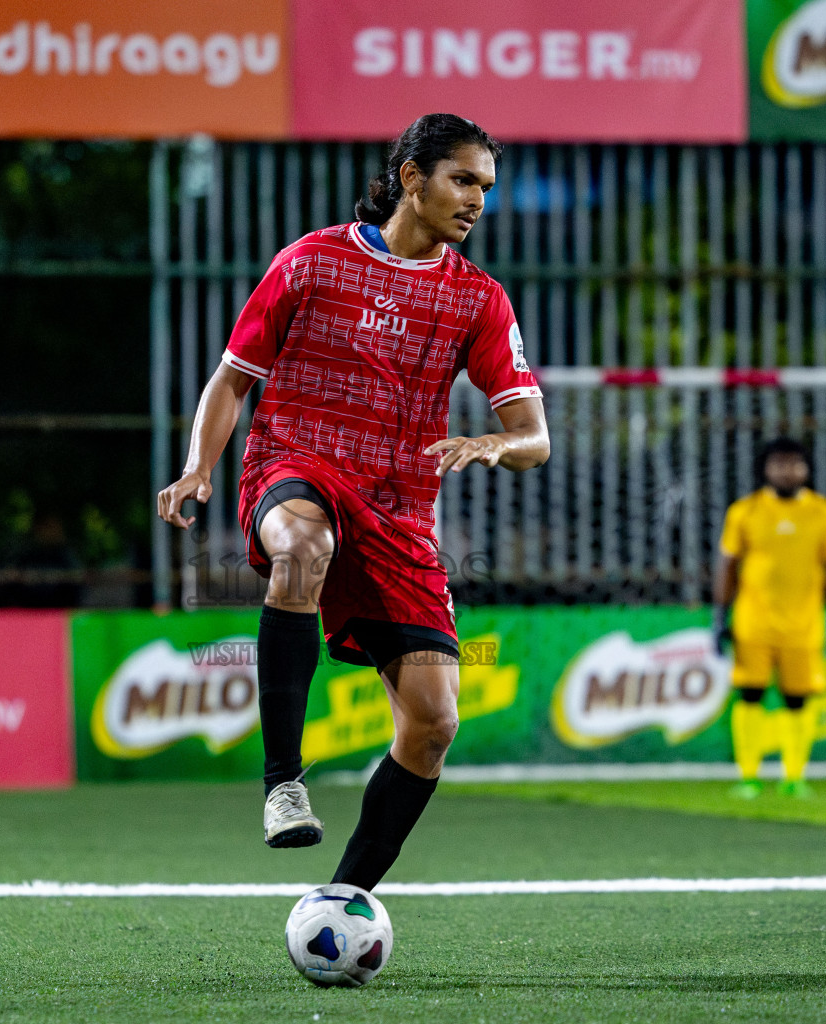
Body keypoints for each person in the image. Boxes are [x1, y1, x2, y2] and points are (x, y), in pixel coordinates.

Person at [157, 113, 548, 892]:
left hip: (400, 511)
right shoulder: (312, 262)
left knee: (434, 726)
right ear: (412, 177)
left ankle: (344, 898)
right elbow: (234, 376)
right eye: (462, 180)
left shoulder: (478, 300)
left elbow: (534, 435)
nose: (477, 201)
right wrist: (201, 465)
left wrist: (497, 444)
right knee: (303, 549)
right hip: (295, 465)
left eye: (486, 188)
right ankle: (283, 784)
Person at [713, 437, 826, 799]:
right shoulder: (744, 512)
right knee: (750, 694)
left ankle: (794, 777)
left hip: (804, 625)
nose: (786, 471)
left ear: (806, 469)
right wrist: (719, 618)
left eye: (794, 464)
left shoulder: (825, 513)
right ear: (765, 468)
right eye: (778, 464)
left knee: (798, 699)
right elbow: (728, 566)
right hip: (753, 622)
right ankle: (748, 777)